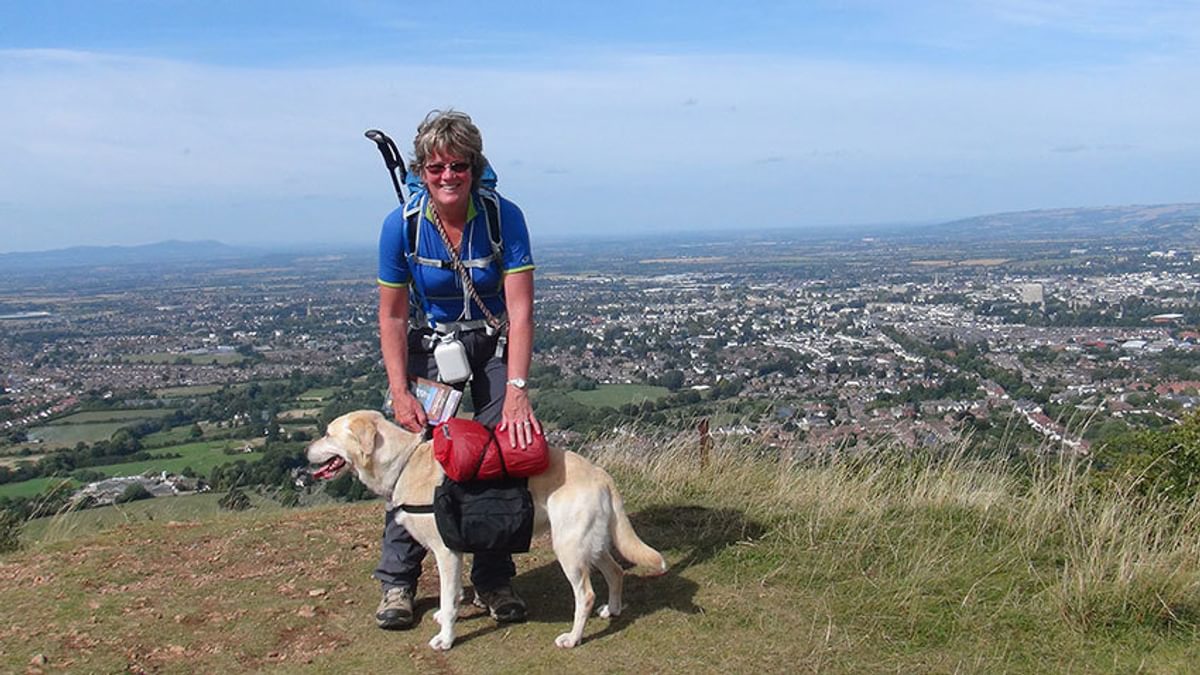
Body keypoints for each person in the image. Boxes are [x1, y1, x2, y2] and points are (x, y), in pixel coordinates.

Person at [373, 109, 542, 630]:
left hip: (491, 345)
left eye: (459, 166)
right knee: (418, 460)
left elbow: (520, 309)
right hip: (434, 344)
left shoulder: (501, 217)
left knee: (501, 456)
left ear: (475, 166)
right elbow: (394, 313)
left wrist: (516, 391)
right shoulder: (401, 227)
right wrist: (399, 391)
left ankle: (493, 578)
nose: (448, 176)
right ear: (421, 171)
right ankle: (399, 582)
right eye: (436, 167)